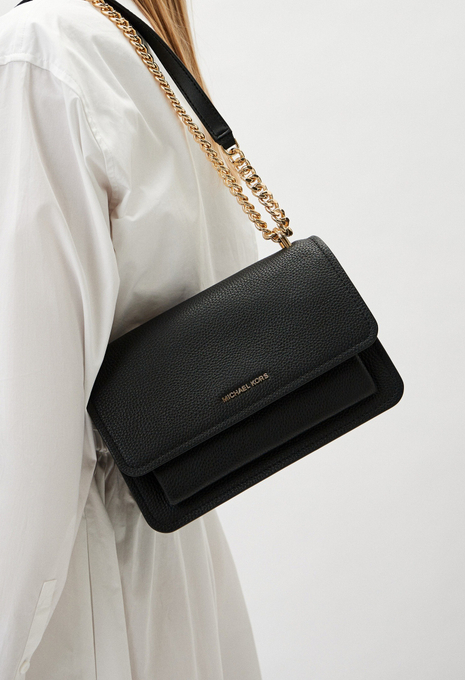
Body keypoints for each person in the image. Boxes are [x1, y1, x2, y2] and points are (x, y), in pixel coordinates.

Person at [0, 0, 263, 677]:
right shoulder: (130, 42)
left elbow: (29, 433)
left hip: (77, 597)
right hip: (169, 567)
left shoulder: (36, 51)